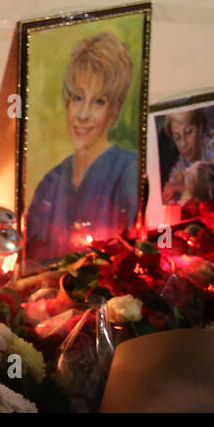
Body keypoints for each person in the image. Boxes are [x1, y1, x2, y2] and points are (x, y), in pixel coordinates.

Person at [23, 32, 139, 269]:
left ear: (114, 111)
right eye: (78, 98)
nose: (83, 114)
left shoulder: (129, 171)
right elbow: (29, 266)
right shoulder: (49, 184)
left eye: (98, 102)